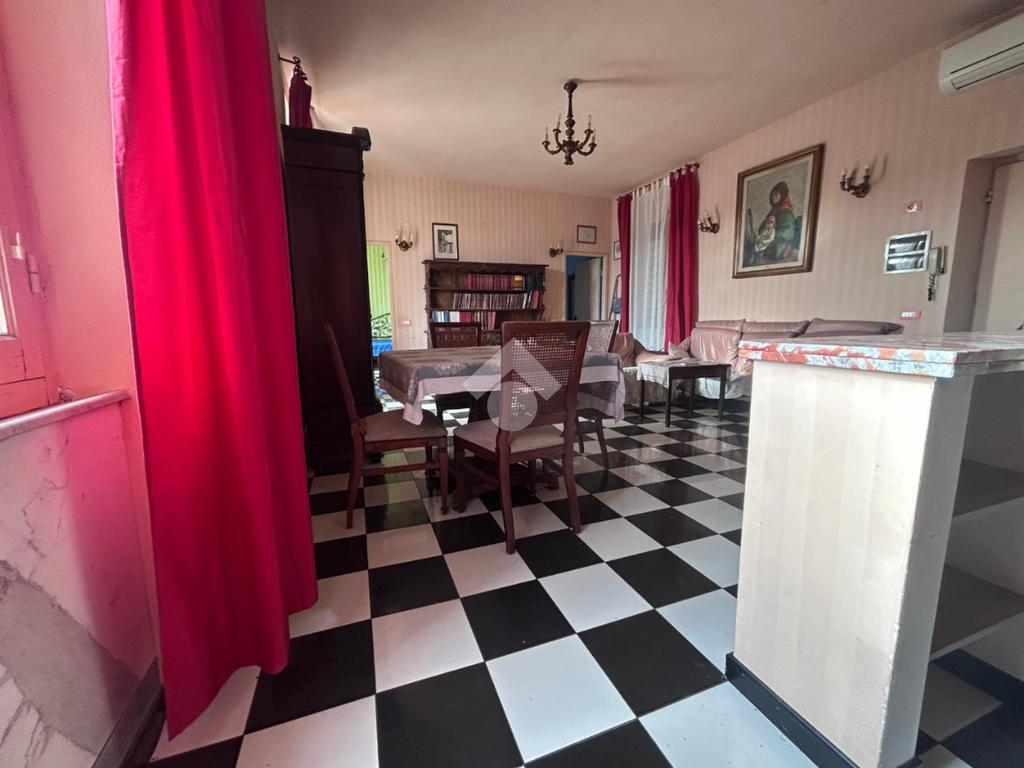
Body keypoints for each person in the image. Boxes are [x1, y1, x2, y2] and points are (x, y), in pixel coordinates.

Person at [746, 181, 800, 264]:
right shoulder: (773, 211)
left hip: (779, 247)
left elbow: (787, 232)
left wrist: (772, 236)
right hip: (767, 244)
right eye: (772, 195)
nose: (773, 197)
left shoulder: (786, 212)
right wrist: (762, 235)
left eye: (776, 195)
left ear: (782, 196)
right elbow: (762, 228)